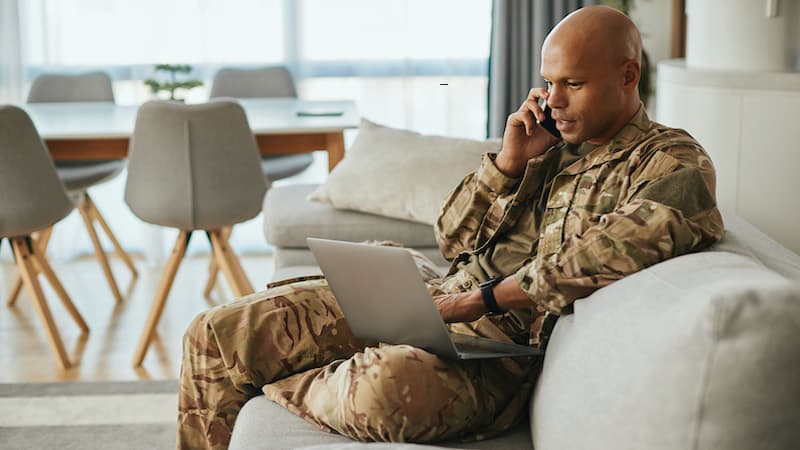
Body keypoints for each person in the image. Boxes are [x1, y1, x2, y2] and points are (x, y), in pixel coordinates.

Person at [177, 5, 724, 449]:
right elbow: (452, 239)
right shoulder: (549, 146)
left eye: (573, 83)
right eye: (549, 83)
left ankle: (270, 379)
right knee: (215, 333)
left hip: (498, 355)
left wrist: (480, 301)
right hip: (434, 296)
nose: (553, 100)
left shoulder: (671, 163)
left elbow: (609, 250)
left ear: (628, 75)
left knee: (381, 390)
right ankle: (276, 367)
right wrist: (509, 163)